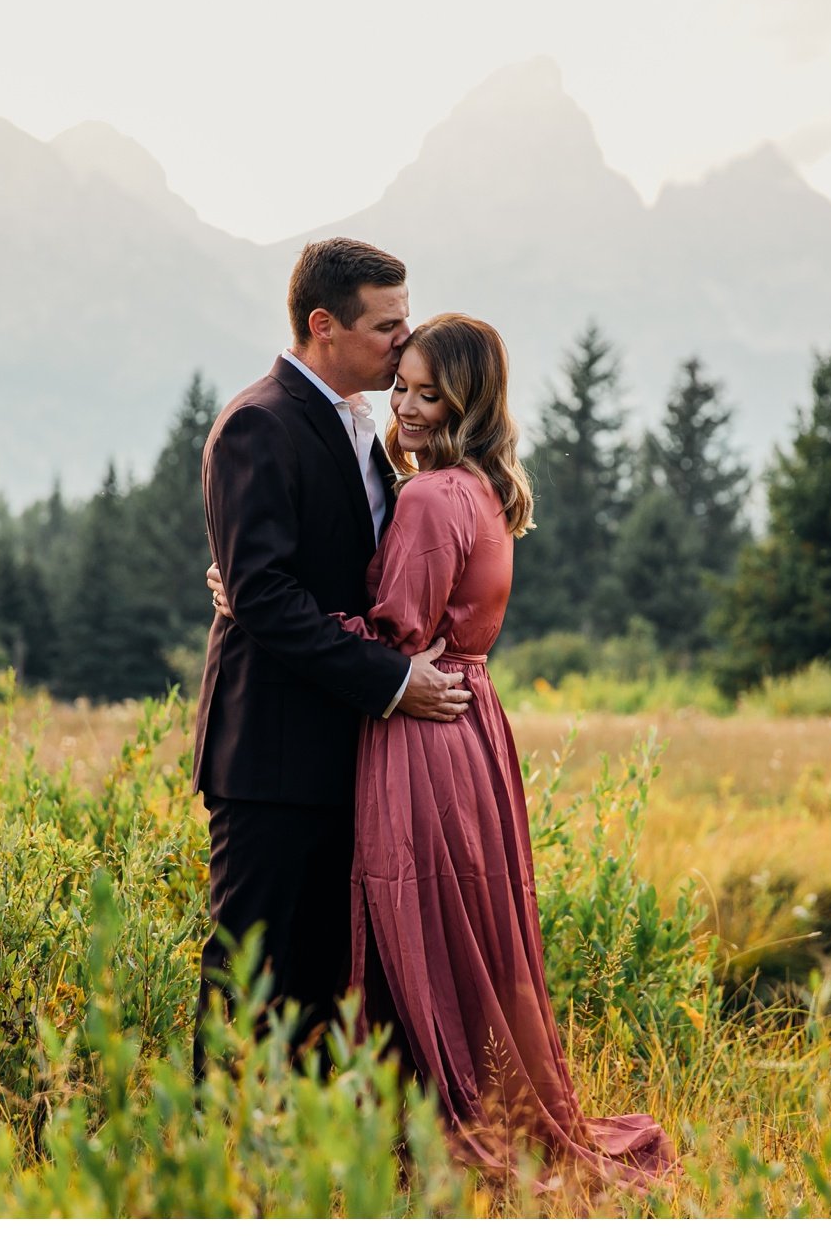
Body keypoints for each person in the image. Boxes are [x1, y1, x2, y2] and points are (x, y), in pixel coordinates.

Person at [209, 314, 675, 1192]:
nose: (410, 406)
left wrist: (252, 601)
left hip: (419, 730)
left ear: (470, 403)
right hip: (471, 726)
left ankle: (434, 1115)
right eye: (405, 387)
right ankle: (406, 1110)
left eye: (431, 393)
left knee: (413, 927)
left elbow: (397, 632)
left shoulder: (427, 498)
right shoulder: (484, 491)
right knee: (465, 929)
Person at [191, 238, 474, 1078]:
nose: (404, 338)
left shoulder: (367, 435)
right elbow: (268, 594)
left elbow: (317, 573)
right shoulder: (258, 422)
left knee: (322, 978)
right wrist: (393, 682)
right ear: (324, 325)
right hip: (272, 761)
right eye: (388, 325)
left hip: (346, 752)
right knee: (250, 971)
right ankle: (216, 1167)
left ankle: (305, 1172)